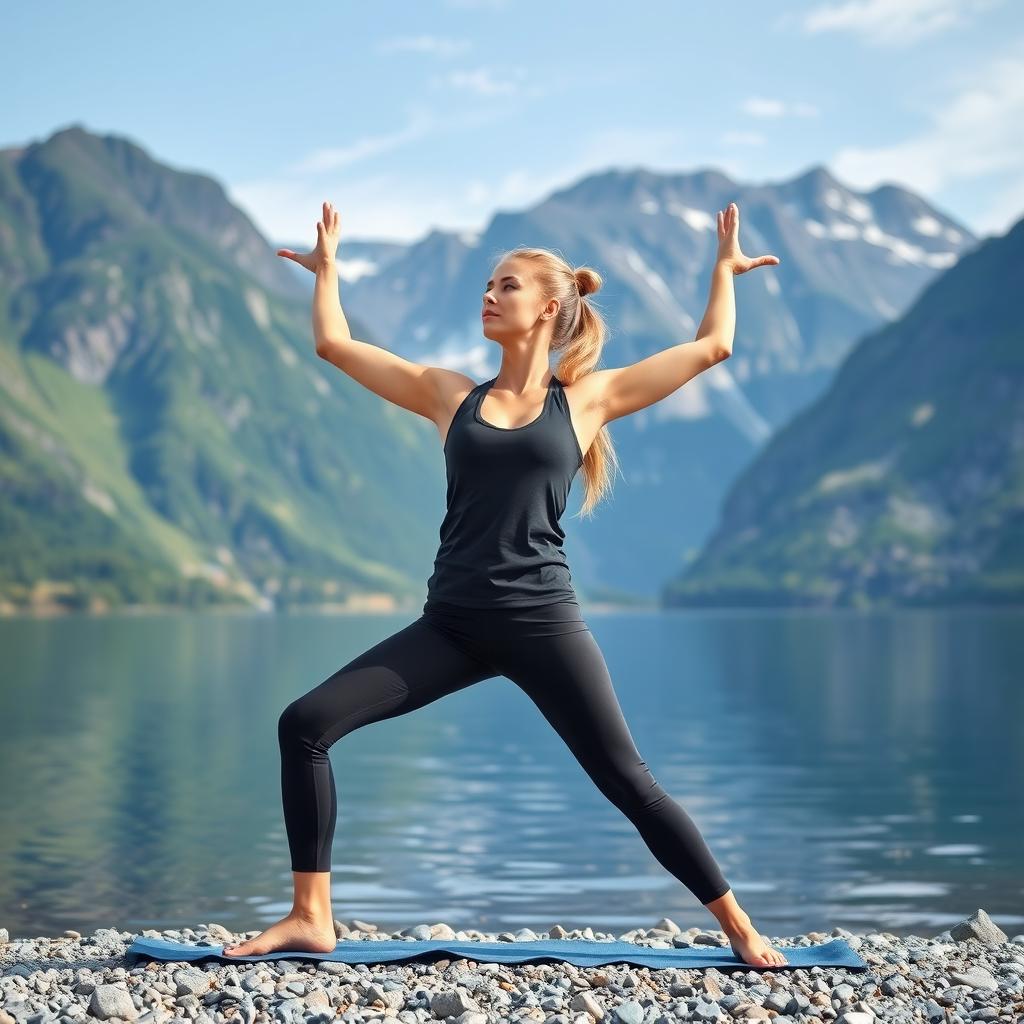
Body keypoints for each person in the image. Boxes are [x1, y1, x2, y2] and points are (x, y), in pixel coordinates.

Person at [224, 201, 787, 967]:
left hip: (541, 622)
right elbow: (334, 344)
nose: (489, 294)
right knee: (305, 725)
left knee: (628, 781)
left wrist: (724, 271)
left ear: (550, 309)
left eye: (508, 285)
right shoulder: (449, 395)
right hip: (451, 625)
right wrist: (328, 276)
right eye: (488, 283)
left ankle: (740, 927)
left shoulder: (586, 400)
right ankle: (310, 916)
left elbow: (713, 346)